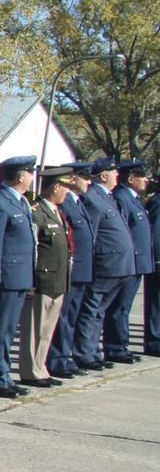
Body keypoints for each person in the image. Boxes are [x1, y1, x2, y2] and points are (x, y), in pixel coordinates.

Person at [0, 156, 37, 398]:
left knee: (8, 331)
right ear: (20, 176)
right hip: (6, 277)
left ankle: (5, 375)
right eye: (30, 172)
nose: (32, 177)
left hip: (20, 276)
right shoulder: (1, 202)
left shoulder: (21, 202)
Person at [78, 157, 133, 370]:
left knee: (100, 310)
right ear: (103, 175)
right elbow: (91, 233)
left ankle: (93, 350)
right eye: (113, 172)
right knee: (91, 309)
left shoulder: (107, 197)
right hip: (105, 263)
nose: (117, 175)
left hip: (118, 264)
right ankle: (84, 352)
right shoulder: (92, 197)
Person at [20, 167, 73, 387]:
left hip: (58, 279)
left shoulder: (58, 211)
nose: (67, 193)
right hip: (42, 280)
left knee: (47, 330)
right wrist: (31, 280)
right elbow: (33, 247)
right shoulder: (37, 211)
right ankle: (31, 370)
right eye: (65, 188)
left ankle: (41, 367)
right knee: (34, 329)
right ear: (55, 187)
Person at [49, 164, 95, 378]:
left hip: (83, 269)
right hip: (71, 269)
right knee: (64, 317)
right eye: (85, 178)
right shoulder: (65, 203)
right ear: (73, 179)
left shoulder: (79, 202)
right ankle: (57, 358)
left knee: (73, 316)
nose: (89, 182)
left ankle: (65, 355)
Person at [109, 161, 152, 363]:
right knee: (120, 307)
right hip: (128, 261)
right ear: (130, 178)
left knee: (124, 307)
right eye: (141, 175)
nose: (146, 180)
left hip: (137, 262)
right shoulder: (122, 198)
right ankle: (116, 347)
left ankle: (121, 345)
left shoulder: (133, 199)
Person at [146, 188, 160, 356]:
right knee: (156, 302)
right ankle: (154, 341)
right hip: (158, 261)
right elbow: (157, 233)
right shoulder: (158, 202)